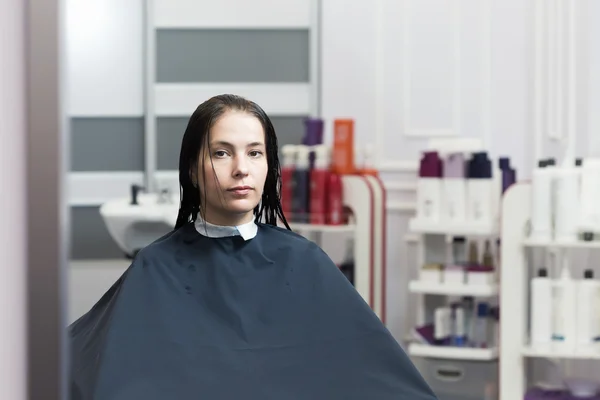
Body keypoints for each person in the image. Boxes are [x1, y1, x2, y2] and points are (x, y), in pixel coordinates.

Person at [69, 94, 438, 399]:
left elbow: (372, 371)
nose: (241, 169)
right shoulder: (156, 265)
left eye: (255, 153)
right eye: (222, 153)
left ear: (269, 167)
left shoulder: (304, 261)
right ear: (193, 170)